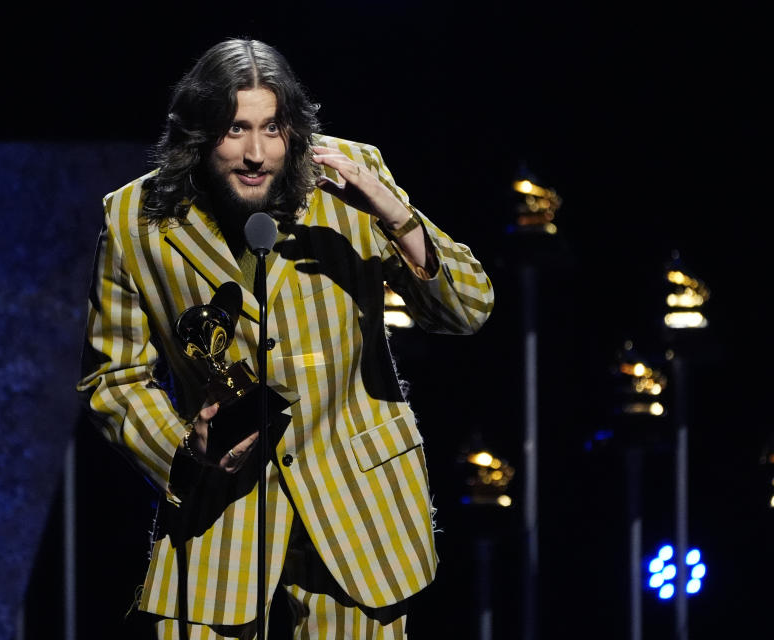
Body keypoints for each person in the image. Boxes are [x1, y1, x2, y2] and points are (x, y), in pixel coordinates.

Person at [76, 37, 494, 639]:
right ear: (197, 135)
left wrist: (393, 216)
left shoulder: (353, 180)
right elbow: (113, 379)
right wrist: (183, 447)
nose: (255, 153)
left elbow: (469, 310)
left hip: (359, 507)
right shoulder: (133, 221)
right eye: (234, 129)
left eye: (272, 129)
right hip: (219, 514)